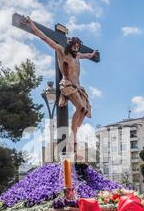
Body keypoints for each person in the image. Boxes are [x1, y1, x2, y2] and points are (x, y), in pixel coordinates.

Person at [23, 15, 98, 153]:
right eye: (74, 46)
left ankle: (74, 133)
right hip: (67, 85)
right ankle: (72, 136)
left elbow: (87, 56)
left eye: (77, 46)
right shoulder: (62, 51)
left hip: (78, 87)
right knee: (80, 106)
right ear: (70, 45)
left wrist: (93, 53)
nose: (76, 48)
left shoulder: (78, 56)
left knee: (84, 110)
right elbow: (44, 37)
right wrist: (31, 24)